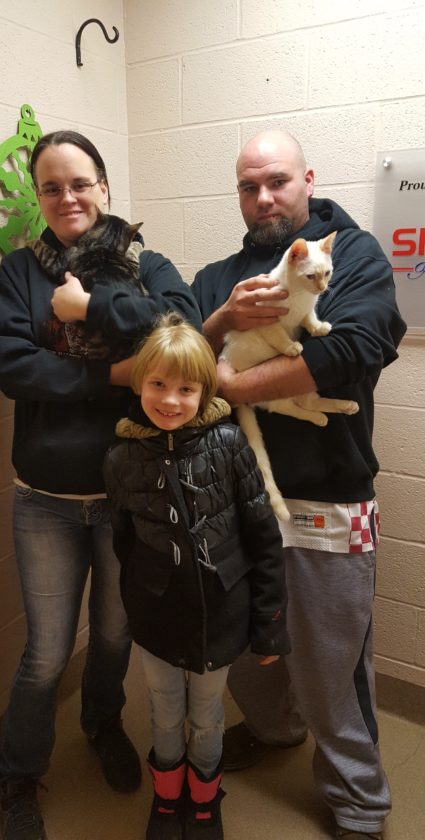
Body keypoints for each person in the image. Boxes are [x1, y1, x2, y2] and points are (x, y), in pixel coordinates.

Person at [0, 130, 202, 840]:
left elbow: (185, 327)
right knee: (47, 653)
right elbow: (14, 367)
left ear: (104, 187)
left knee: (112, 633)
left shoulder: (145, 263)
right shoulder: (19, 274)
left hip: (127, 494)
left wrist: (88, 311)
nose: (66, 197)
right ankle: (18, 776)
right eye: (51, 187)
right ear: (38, 199)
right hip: (43, 499)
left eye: (79, 183)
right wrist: (114, 374)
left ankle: (102, 724)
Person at [191, 129, 407, 840]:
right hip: (234, 495)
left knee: (330, 666)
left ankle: (358, 804)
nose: (263, 198)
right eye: (248, 186)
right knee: (244, 647)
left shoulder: (354, 255)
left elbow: (359, 345)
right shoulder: (218, 278)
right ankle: (273, 729)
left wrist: (233, 383)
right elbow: (179, 361)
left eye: (277, 181)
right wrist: (221, 321)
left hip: (327, 494)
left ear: (306, 181)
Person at [103, 313, 290, 840]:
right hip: (157, 616)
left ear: (205, 391)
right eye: (158, 384)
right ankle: (167, 799)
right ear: (139, 383)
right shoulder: (120, 458)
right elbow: (124, 541)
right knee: (165, 712)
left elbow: (263, 538)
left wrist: (269, 625)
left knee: (207, 715)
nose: (170, 400)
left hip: (220, 613)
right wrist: (140, 599)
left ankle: (205, 802)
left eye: (186, 389)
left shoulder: (230, 445)